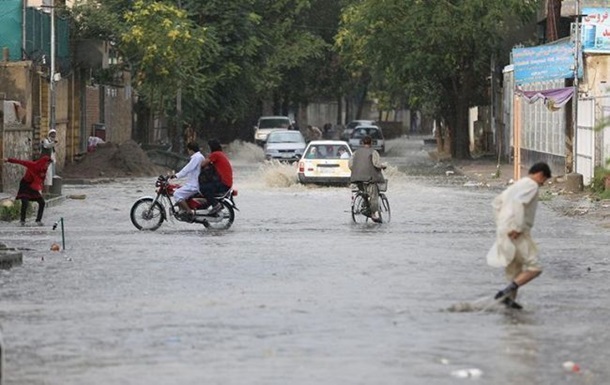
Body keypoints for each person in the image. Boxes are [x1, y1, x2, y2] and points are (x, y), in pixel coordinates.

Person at [486, 162, 552, 309]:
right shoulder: (532, 185)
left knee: (514, 269)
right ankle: (504, 293)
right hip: (517, 232)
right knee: (535, 268)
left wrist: (502, 225)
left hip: (504, 231)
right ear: (541, 174)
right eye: (544, 180)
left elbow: (496, 203)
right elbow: (518, 202)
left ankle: (509, 303)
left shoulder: (518, 184)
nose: (543, 184)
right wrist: (516, 227)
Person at [2, 155, 53, 226]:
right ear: (43, 162)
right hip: (25, 185)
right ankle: (22, 220)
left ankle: (38, 220)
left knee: (42, 202)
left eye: (49, 164)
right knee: (25, 202)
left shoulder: (44, 170)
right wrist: (8, 159)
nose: (48, 165)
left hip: (33, 187)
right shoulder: (33, 165)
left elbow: (41, 180)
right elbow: (21, 162)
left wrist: (40, 188)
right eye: (47, 164)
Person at [348, 135, 386, 223]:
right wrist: (383, 166)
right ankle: (373, 214)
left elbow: (350, 165)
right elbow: (376, 164)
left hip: (356, 178)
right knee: (373, 196)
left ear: (362, 143)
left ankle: (364, 206)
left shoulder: (355, 153)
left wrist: (357, 171)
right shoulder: (373, 152)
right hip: (369, 178)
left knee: (363, 192)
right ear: (371, 143)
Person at [169, 142, 205, 218]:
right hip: (193, 183)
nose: (188, 152)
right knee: (178, 189)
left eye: (188, 150)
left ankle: (188, 211)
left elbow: (187, 169)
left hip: (194, 185)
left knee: (177, 194)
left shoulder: (196, 157)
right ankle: (182, 209)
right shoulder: (199, 156)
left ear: (190, 150)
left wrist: (176, 175)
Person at [199, 139, 233, 215]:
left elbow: (203, 164)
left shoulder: (215, 154)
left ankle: (216, 205)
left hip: (223, 183)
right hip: (227, 183)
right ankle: (208, 204)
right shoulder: (221, 154)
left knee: (204, 188)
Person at [41, 129, 58, 193]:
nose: (53, 136)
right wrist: (53, 143)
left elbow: (52, 154)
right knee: (45, 176)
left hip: (50, 163)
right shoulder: (46, 140)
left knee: (49, 178)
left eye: (54, 135)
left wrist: (54, 161)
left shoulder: (52, 143)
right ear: (49, 134)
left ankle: (47, 192)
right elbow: (47, 146)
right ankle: (44, 192)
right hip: (44, 162)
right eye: (52, 135)